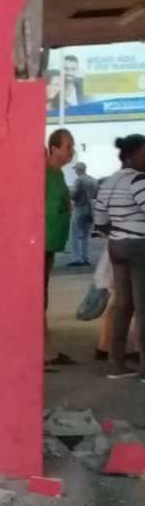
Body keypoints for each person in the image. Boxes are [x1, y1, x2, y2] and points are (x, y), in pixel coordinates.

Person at [93, 133, 145, 379]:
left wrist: (117, 229)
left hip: (117, 247)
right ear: (132, 156)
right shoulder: (138, 181)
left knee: (123, 306)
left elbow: (100, 220)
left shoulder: (109, 182)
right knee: (142, 308)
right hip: (139, 246)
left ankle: (117, 365)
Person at [44, 128, 74, 365]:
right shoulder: (42, 172)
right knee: (38, 299)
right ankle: (45, 351)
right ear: (53, 148)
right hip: (40, 245)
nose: (71, 152)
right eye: (67, 146)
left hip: (52, 244)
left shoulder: (58, 174)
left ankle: (47, 349)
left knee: (42, 299)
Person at [69, 161, 98, 265]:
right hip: (90, 209)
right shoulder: (93, 180)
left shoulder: (78, 181)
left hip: (79, 209)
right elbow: (96, 195)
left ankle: (76, 258)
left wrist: (67, 194)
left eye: (75, 169)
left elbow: (73, 195)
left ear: (78, 170)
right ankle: (85, 258)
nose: (75, 171)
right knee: (86, 235)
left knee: (75, 234)